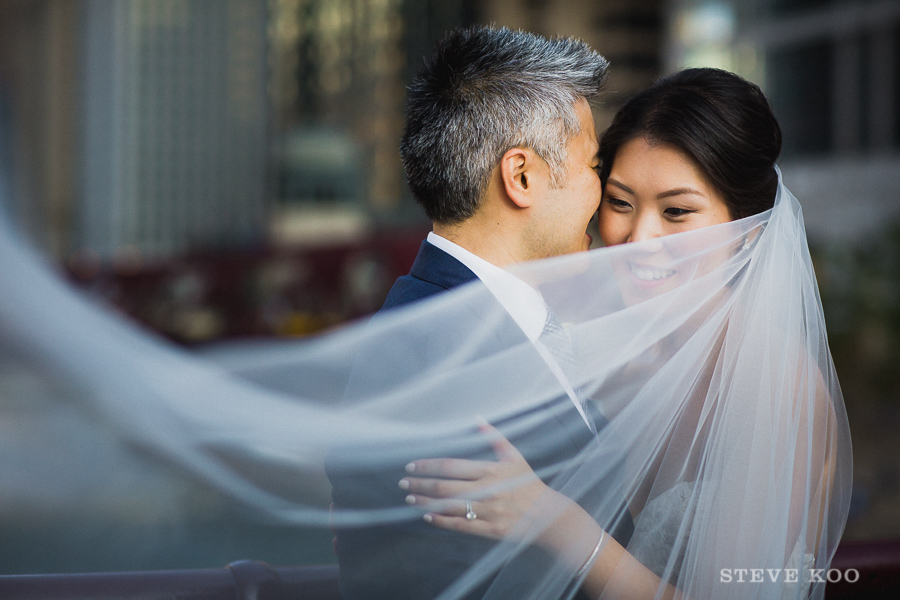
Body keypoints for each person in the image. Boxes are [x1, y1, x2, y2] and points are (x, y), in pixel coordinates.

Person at [398, 68, 852, 599]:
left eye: (676, 212)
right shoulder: (586, 346)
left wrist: (555, 523)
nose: (640, 239)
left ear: (748, 230)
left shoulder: (777, 388)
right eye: (619, 203)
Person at [326, 25, 634, 600]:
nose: (606, 186)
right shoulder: (428, 360)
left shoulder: (478, 320)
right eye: (594, 165)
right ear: (521, 176)